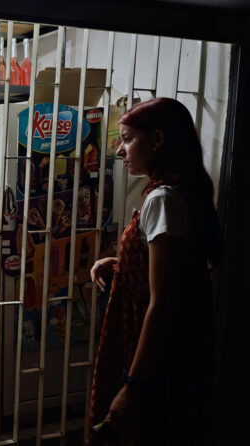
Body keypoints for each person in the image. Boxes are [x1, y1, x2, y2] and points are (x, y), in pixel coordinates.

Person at [88, 98, 217, 445]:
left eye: (128, 139)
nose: (120, 151)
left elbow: (161, 302)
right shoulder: (179, 192)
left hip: (151, 347)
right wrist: (120, 265)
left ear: (158, 140)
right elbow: (172, 267)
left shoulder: (162, 199)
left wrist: (132, 384)